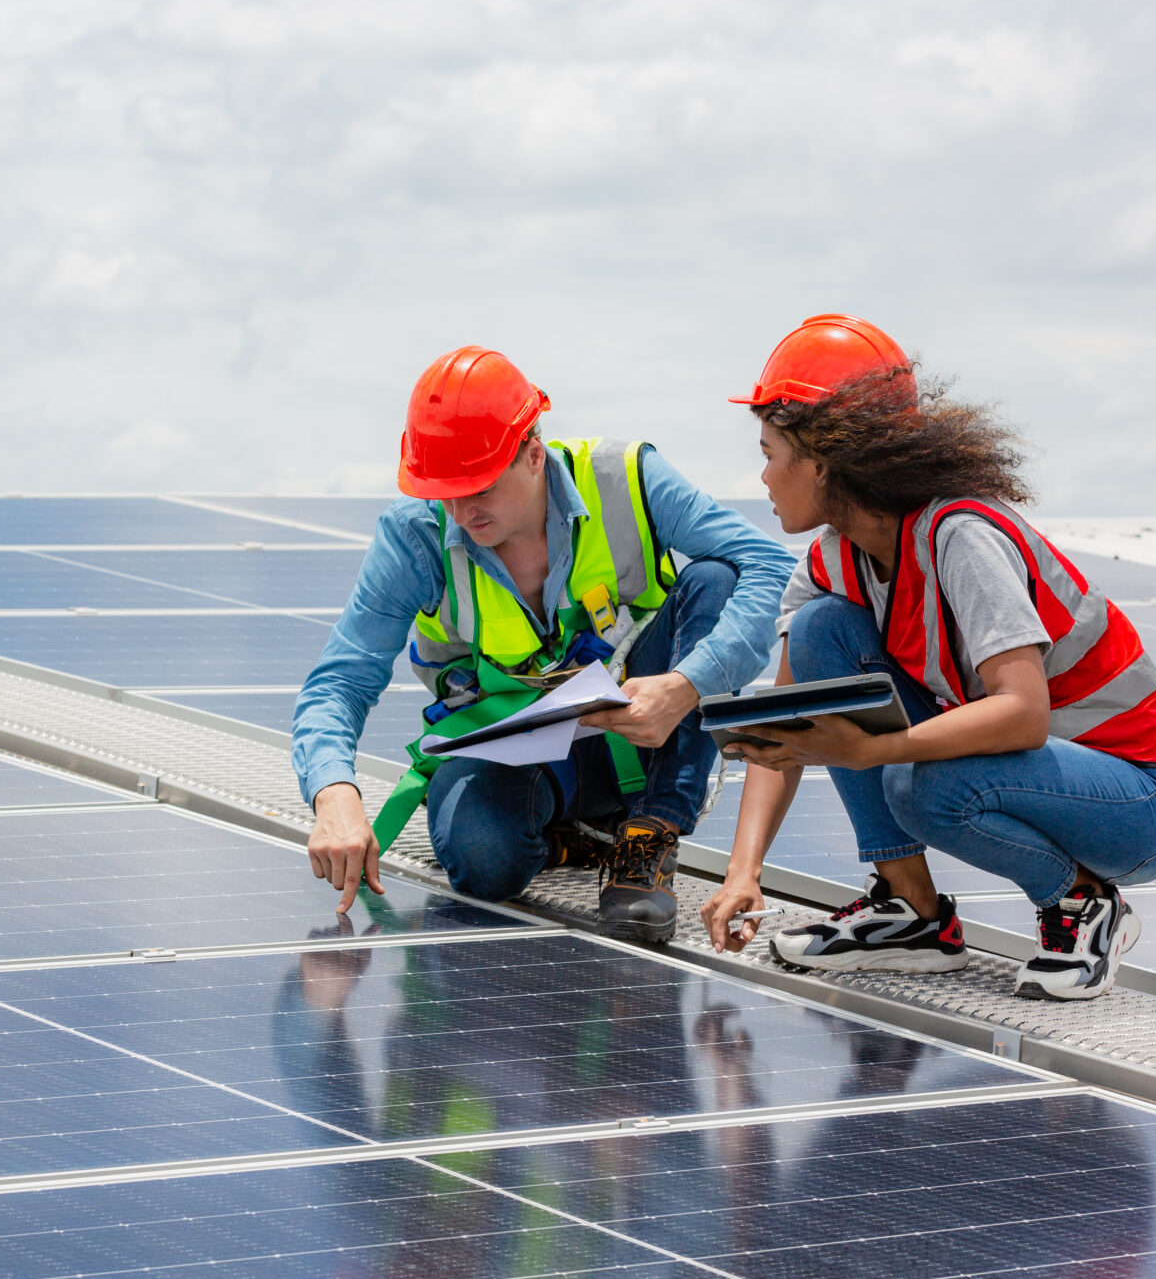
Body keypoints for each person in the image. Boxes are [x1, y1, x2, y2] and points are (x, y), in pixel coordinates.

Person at [698, 316, 1156, 999]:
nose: (762, 476)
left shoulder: (959, 537)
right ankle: (911, 910)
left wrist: (875, 749)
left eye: (769, 452)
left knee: (919, 783)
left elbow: (1022, 714)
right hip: (1040, 774)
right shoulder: (830, 561)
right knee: (819, 633)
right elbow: (788, 728)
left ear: (823, 461)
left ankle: (1081, 904)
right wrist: (742, 872)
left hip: (1138, 798)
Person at [296, 346, 793, 941]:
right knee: (482, 860)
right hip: (520, 751)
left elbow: (766, 563)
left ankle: (650, 830)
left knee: (719, 578)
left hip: (639, 728)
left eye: (478, 486)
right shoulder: (415, 537)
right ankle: (569, 836)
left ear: (534, 454)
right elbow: (341, 679)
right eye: (444, 490)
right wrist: (333, 791)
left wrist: (686, 685)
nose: (460, 508)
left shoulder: (624, 478)